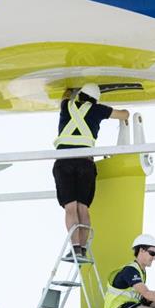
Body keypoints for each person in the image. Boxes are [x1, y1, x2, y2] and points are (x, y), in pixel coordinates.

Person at [53, 83, 129, 259]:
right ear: (95, 100)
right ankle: (84, 249)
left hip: (64, 162)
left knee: (70, 208)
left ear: (80, 96)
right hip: (85, 163)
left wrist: (70, 90)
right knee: (83, 209)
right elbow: (124, 114)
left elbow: (64, 96)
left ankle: (75, 248)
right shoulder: (98, 110)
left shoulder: (67, 106)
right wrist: (124, 117)